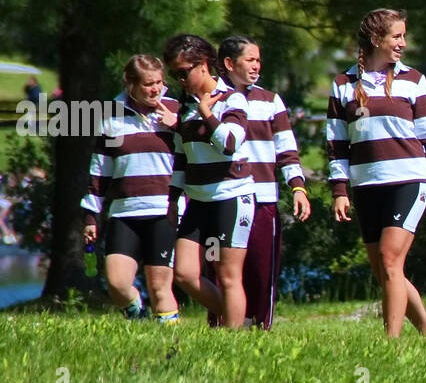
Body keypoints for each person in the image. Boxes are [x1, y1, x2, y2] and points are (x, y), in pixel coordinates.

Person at [327, 8, 426, 338]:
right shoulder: (343, 84)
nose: (403, 43)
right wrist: (339, 190)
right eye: (397, 36)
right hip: (366, 185)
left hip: (408, 180)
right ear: (376, 39)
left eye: (404, 36)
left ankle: (390, 341)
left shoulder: (413, 80)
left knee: (390, 260)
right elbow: (336, 144)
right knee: (383, 270)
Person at [218, 35, 311, 330]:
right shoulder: (211, 100)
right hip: (222, 198)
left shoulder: (270, 100)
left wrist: (297, 187)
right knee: (223, 271)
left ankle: (259, 328)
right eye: (250, 60)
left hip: (263, 200)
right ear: (229, 63)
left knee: (261, 270)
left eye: (259, 60)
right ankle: (223, 326)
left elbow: (287, 149)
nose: (257, 66)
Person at [81, 55, 182, 321]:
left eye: (159, 82)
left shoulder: (175, 109)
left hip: (164, 210)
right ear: (131, 84)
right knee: (116, 282)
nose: (156, 89)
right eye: (149, 84)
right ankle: (138, 317)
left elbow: (201, 150)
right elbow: (100, 169)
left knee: (160, 285)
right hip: (125, 211)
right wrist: (91, 215)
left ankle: (172, 348)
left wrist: (178, 125)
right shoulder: (112, 114)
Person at [163, 34, 254, 328]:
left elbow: (229, 143)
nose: (180, 79)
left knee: (228, 275)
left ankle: (234, 338)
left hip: (232, 195)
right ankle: (238, 322)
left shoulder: (233, 98)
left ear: (203, 64)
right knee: (185, 274)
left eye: (183, 71)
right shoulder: (185, 106)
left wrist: (207, 113)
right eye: (175, 74)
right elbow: (181, 157)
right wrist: (173, 199)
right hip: (197, 200)